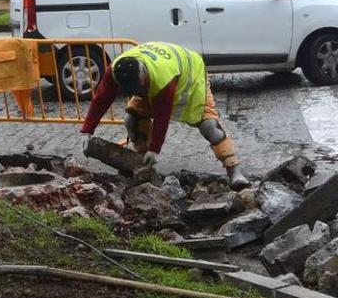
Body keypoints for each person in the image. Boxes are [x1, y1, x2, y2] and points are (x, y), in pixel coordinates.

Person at [80, 42, 249, 189]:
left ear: (143, 74)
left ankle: (235, 170)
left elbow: (162, 116)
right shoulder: (116, 71)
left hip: (191, 76)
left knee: (209, 127)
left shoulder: (162, 78)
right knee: (132, 119)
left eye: (139, 87)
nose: (138, 92)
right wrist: (87, 130)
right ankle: (142, 164)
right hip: (158, 75)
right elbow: (101, 99)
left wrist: (155, 149)